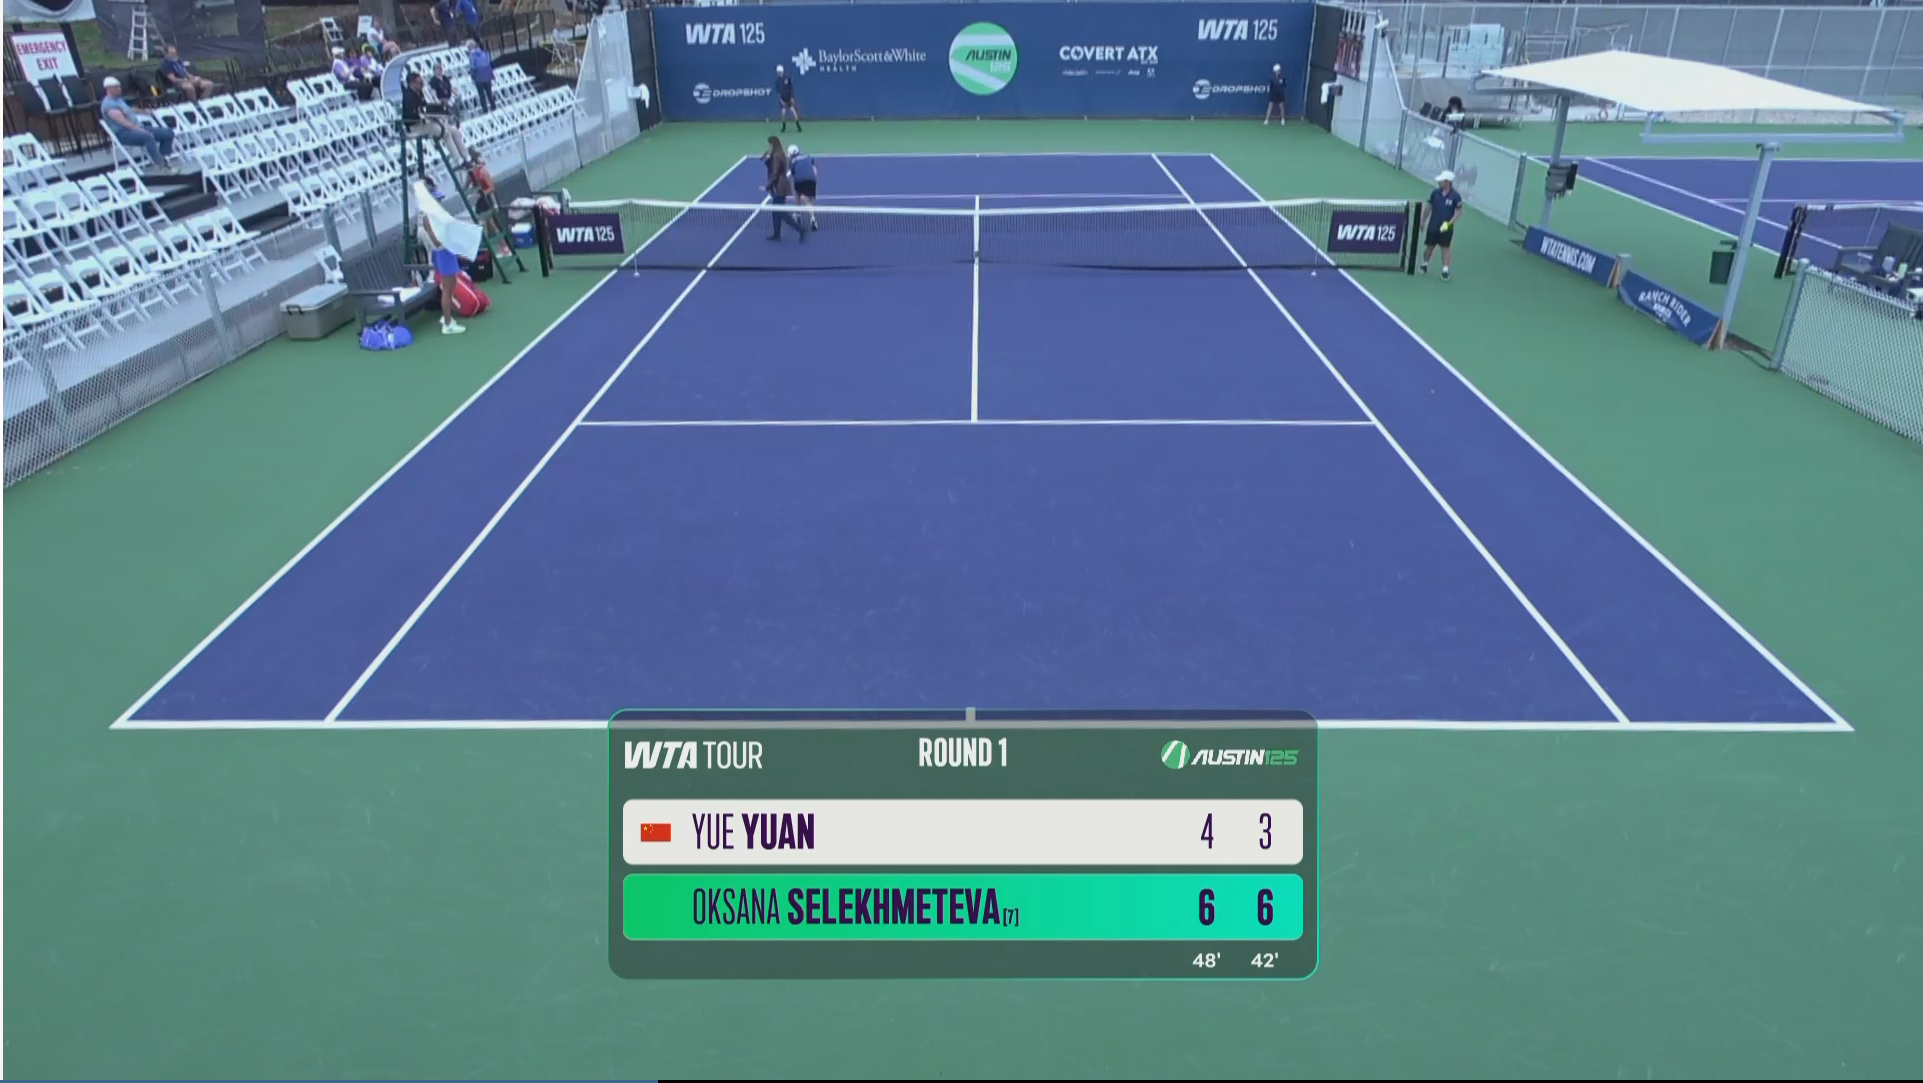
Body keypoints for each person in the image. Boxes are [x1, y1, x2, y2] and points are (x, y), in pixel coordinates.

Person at [98, 76, 175, 171]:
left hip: (137, 127)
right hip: (123, 133)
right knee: (148, 136)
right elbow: (124, 123)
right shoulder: (109, 105)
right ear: (108, 89)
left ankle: (164, 158)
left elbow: (129, 109)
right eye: (116, 87)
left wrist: (144, 111)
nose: (119, 89)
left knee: (168, 133)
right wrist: (140, 130)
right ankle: (161, 164)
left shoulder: (118, 99)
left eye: (119, 86)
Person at [402, 70, 471, 167]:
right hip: (416, 126)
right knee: (445, 133)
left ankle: (467, 158)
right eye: (419, 82)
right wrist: (425, 115)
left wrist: (435, 111)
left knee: (454, 131)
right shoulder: (408, 96)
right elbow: (412, 114)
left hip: (427, 122)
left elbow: (425, 107)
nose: (422, 84)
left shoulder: (419, 92)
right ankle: (459, 160)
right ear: (412, 83)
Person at [418, 211, 468, 335]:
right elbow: (435, 240)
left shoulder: (435, 214)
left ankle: (447, 317)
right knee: (447, 289)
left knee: (452, 285)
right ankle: (447, 324)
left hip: (447, 251)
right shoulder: (427, 216)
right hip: (443, 252)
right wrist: (444, 240)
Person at [1420, 169, 1464, 280]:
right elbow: (1428, 207)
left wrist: (1449, 224)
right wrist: (1422, 221)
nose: (1439, 182)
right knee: (1430, 246)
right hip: (1433, 225)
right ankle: (1424, 265)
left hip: (1446, 228)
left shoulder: (1455, 196)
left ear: (1448, 182)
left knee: (1445, 248)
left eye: (1441, 180)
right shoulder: (1435, 193)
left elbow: (1458, 212)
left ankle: (1445, 270)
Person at [763, 136, 803, 243]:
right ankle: (777, 233)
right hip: (782, 185)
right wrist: (767, 160)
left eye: (770, 144)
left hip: (778, 187)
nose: (769, 146)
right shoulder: (779, 154)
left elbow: (775, 173)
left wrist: (768, 186)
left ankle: (801, 229)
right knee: (776, 212)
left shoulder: (776, 155)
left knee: (782, 213)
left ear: (773, 144)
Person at [788, 144, 820, 232]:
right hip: (811, 180)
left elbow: (794, 175)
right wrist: (814, 182)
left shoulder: (792, 162)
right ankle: (812, 218)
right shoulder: (808, 156)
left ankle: (797, 214)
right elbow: (814, 170)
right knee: (808, 200)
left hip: (799, 180)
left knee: (797, 194)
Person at [468, 39, 496, 114]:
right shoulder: (485, 53)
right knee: (489, 93)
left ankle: (485, 110)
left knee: (482, 95)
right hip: (487, 75)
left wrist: (472, 76)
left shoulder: (472, 56)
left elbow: (473, 67)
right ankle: (493, 107)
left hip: (479, 77)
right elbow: (489, 63)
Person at [775, 64, 801, 134]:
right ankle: (784, 127)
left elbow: (791, 89)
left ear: (783, 71)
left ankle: (798, 126)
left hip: (789, 98)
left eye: (780, 72)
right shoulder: (777, 81)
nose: (779, 73)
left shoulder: (788, 78)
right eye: (778, 72)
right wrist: (781, 100)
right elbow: (778, 92)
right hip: (782, 99)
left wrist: (792, 98)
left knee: (793, 111)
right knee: (783, 113)